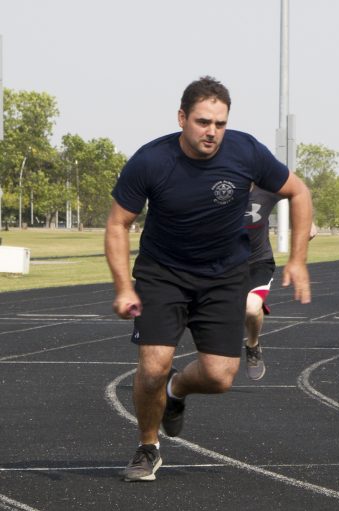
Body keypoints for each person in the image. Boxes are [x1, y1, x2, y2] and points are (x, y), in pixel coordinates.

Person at [104, 76, 313, 482]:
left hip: (224, 275)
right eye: (203, 122)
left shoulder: (246, 151)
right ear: (182, 118)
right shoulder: (151, 160)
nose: (212, 132)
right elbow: (118, 224)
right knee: (152, 368)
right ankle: (148, 447)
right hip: (162, 273)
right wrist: (122, 286)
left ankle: (176, 392)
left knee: (218, 377)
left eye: (219, 123)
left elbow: (299, 192)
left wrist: (299, 259)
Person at [243, 187, 317, 380]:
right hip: (223, 264)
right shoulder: (220, 187)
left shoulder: (265, 189)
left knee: (251, 309)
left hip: (259, 262)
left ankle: (252, 345)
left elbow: (299, 192)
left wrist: (309, 222)